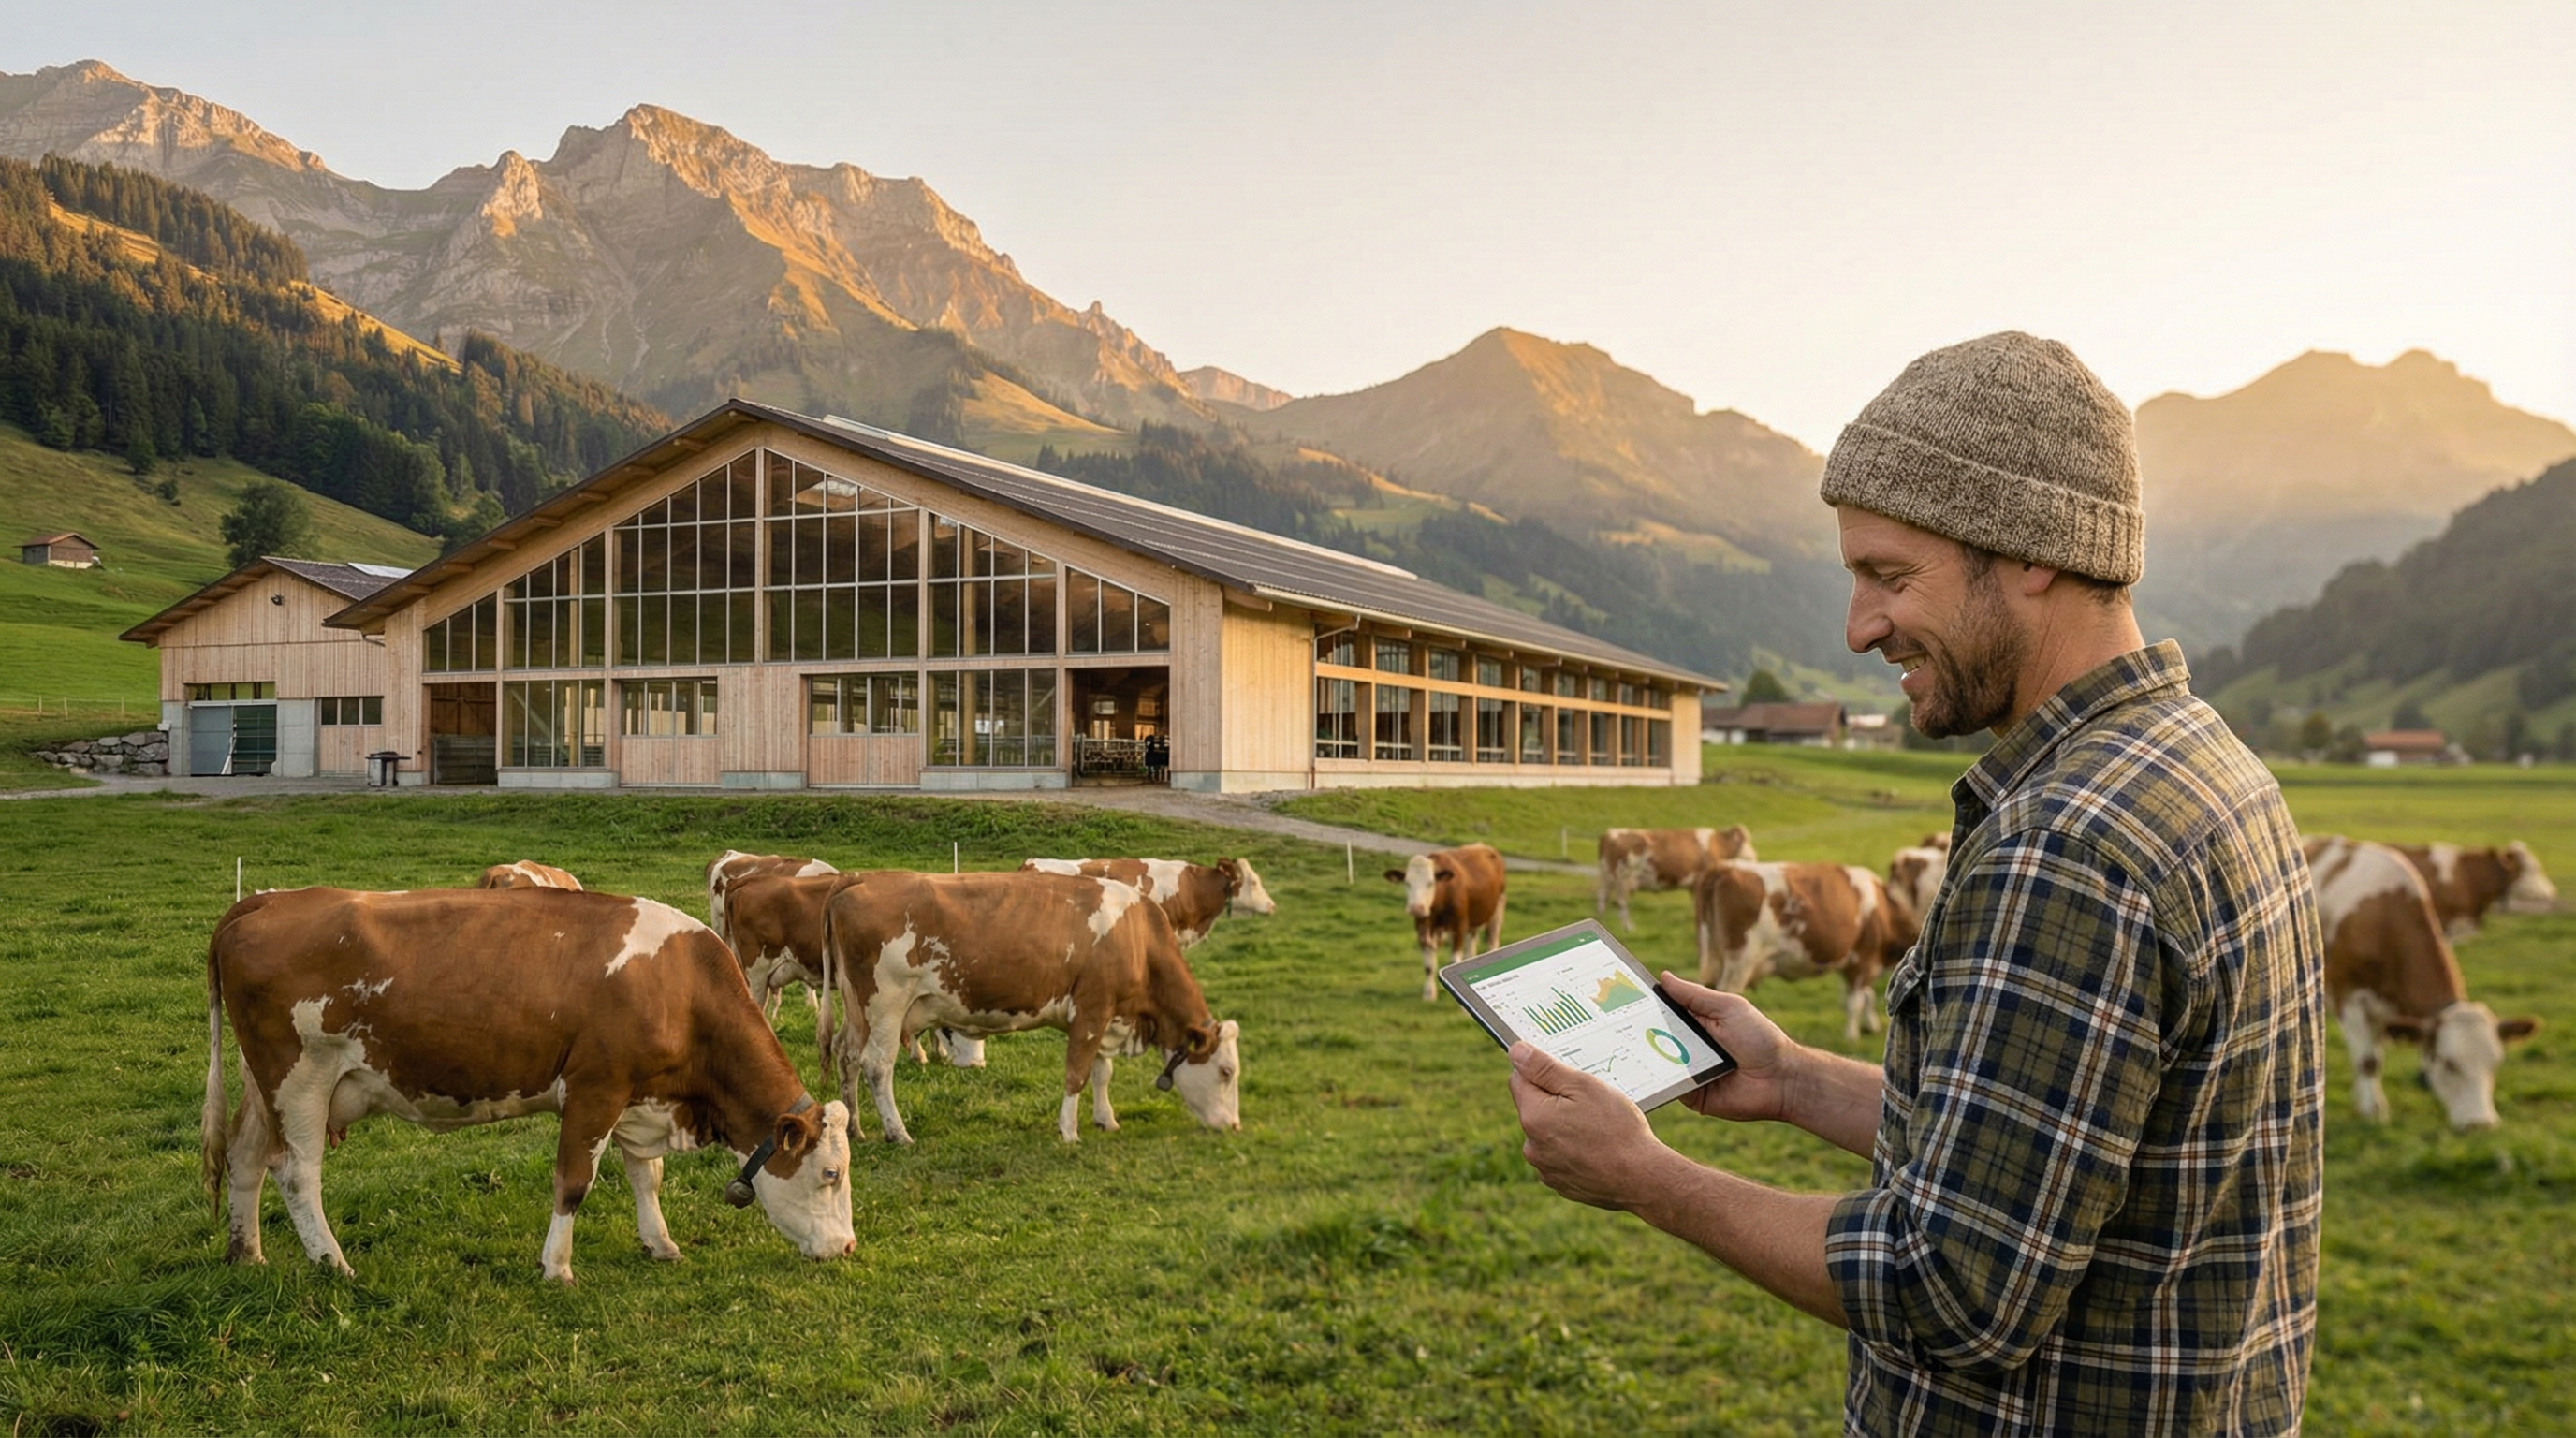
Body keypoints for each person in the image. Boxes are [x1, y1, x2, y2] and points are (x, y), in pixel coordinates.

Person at [1509, 332, 2323, 1434]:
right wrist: (1794, 1077)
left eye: (1890, 577)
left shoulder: (2066, 844)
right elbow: (2047, 1158)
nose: (1858, 630)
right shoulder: (2205, 766)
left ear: (2031, 548)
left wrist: (1645, 1175)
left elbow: (1951, 1287)